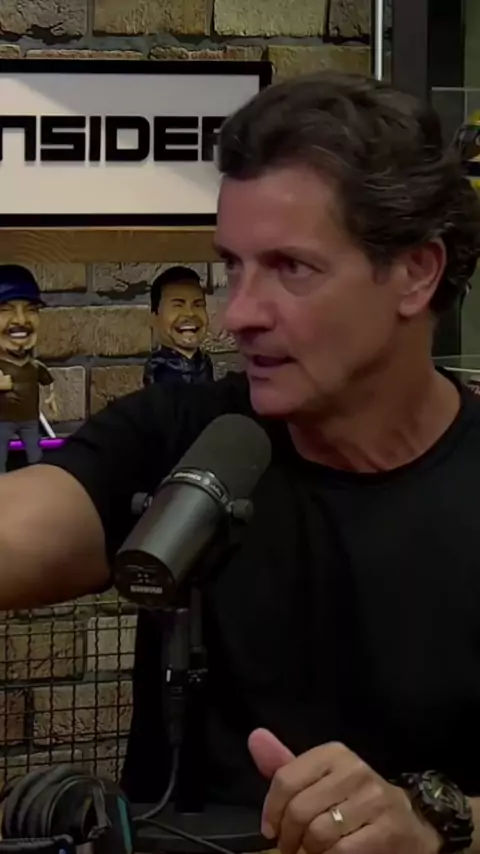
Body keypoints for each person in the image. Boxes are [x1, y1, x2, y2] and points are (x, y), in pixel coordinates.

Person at [1, 71, 480, 854]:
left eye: (292, 268)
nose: (239, 314)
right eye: (234, 266)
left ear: (416, 272)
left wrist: (438, 824)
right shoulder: (188, 434)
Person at [0, 265, 57, 473]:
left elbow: (48, 382)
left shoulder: (34, 366)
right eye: (5, 310)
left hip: (29, 422)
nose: (21, 320)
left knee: (36, 456)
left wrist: (51, 398)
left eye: (31, 309)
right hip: (3, 423)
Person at [143, 265, 213, 386]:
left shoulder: (204, 364)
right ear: (155, 317)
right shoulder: (160, 370)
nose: (190, 313)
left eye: (198, 305)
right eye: (178, 305)